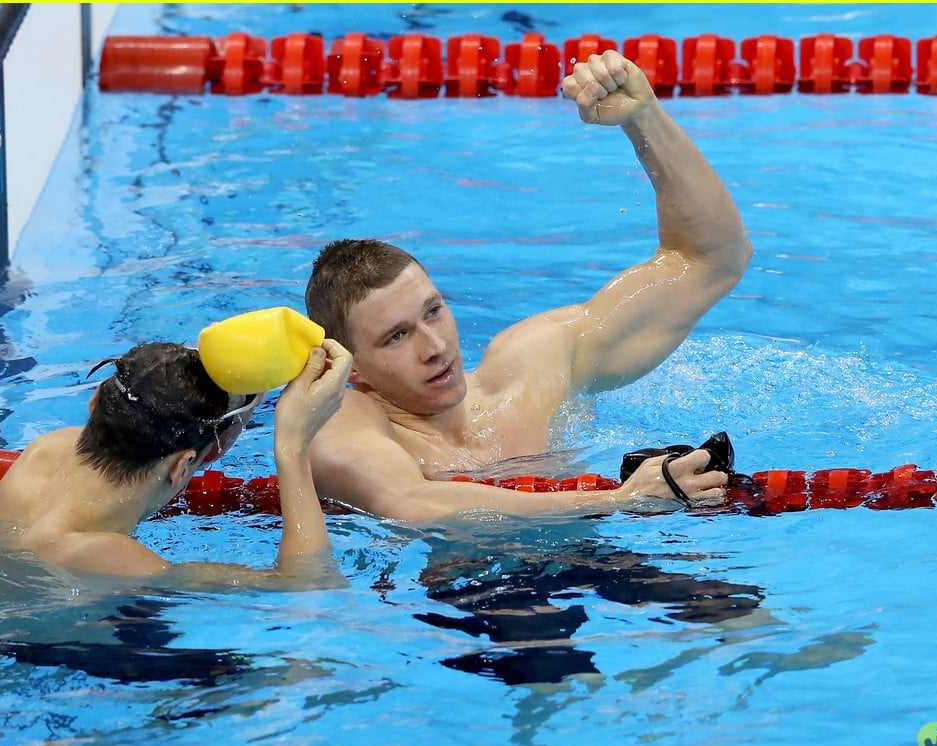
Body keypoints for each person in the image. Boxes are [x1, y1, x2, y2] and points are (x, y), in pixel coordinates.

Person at [303, 51, 752, 522]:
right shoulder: (342, 426)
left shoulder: (533, 369)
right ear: (351, 368)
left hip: (596, 564)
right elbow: (410, 503)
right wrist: (621, 499)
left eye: (432, 311)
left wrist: (644, 120)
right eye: (397, 336)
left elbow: (712, 261)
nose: (435, 347)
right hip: (469, 589)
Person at [0, 338, 353, 587]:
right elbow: (309, 583)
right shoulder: (107, 555)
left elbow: (162, 396)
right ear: (181, 467)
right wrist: (293, 446)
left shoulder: (46, 450)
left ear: (96, 401)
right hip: (43, 657)